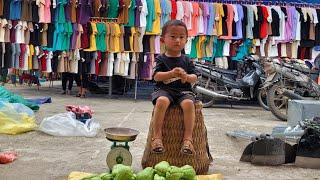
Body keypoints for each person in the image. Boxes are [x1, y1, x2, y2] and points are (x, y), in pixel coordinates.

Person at [151, 20, 198, 155]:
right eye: (173, 37)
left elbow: (195, 77)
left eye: (181, 37)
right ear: (162, 40)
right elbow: (156, 76)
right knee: (162, 101)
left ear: (186, 40)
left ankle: (188, 139)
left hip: (183, 91)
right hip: (164, 91)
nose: (177, 40)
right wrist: (170, 74)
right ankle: (157, 137)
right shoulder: (160, 59)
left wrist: (187, 77)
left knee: (189, 103)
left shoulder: (187, 60)